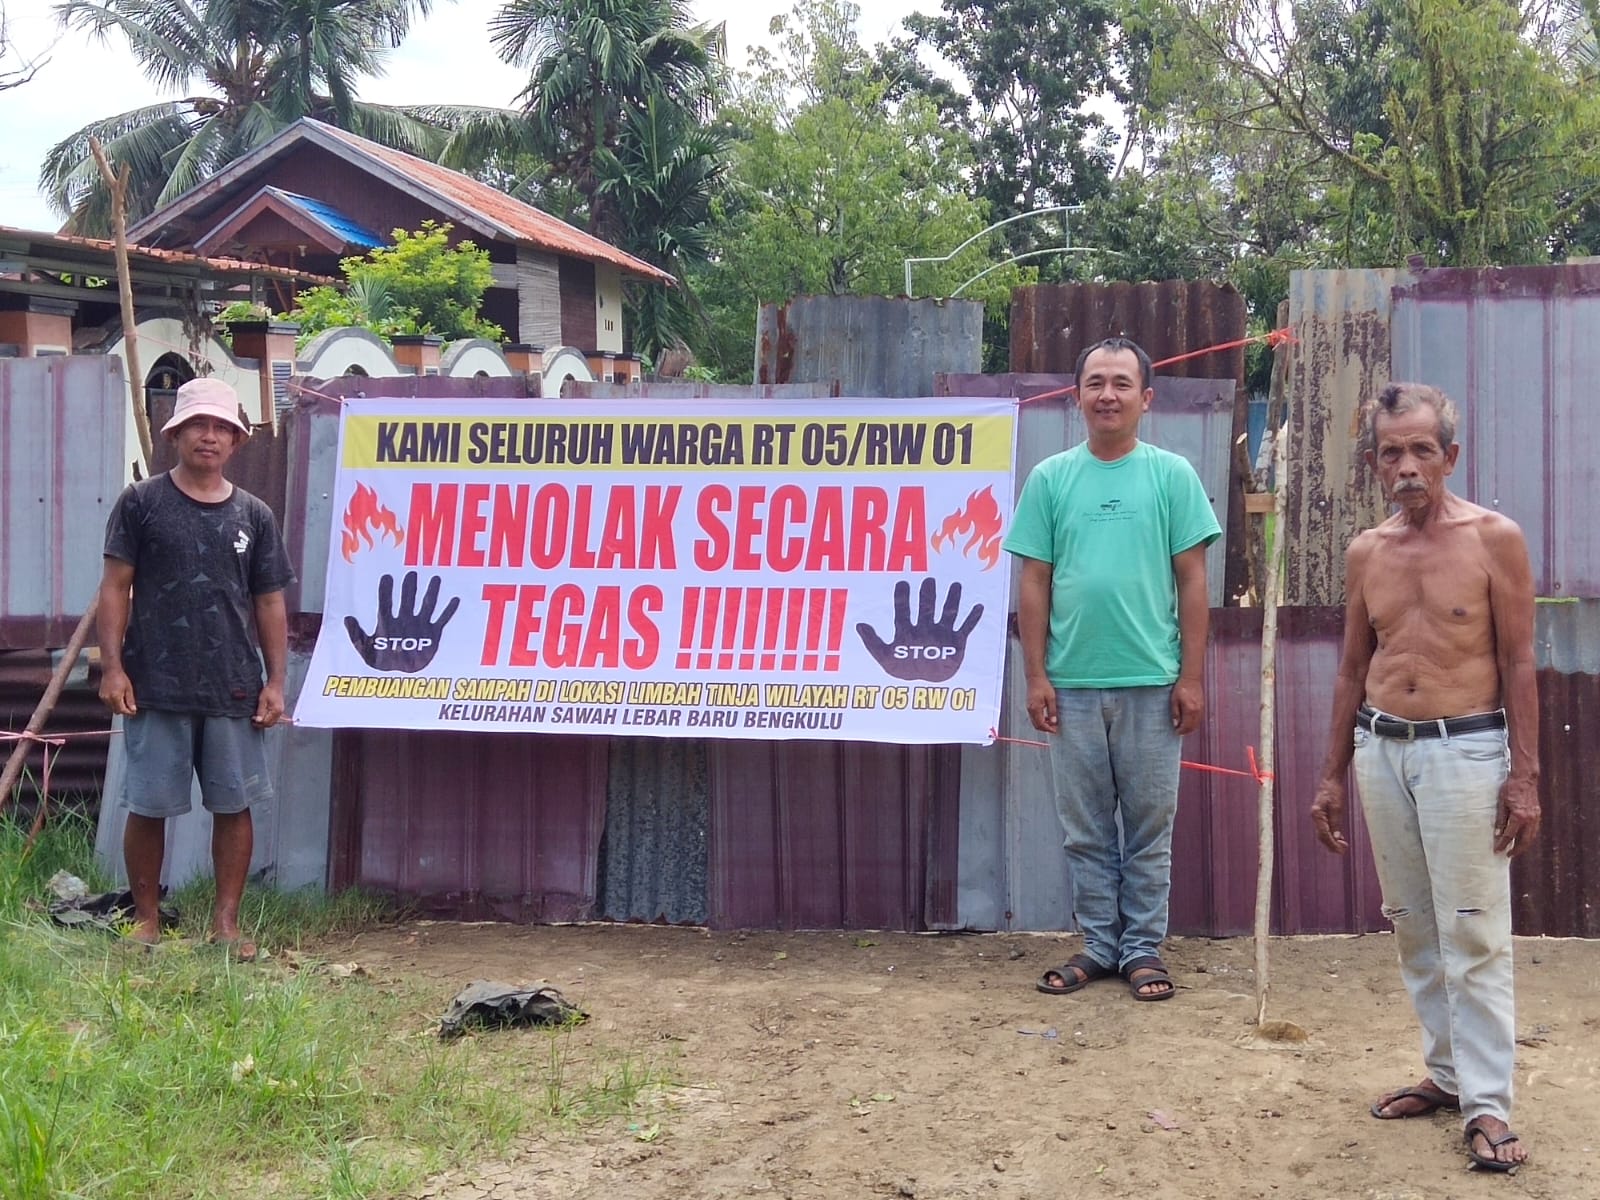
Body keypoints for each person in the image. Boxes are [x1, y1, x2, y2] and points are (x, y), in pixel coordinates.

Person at [1310, 382, 1538, 1172]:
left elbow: (1517, 660)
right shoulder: (1368, 550)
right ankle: (1446, 1076)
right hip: (1383, 751)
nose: (1406, 466)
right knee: (1413, 922)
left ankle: (1487, 1107)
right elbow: (1349, 669)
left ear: (1451, 455)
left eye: (1421, 450)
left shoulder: (1493, 539)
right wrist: (1331, 774)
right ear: (1375, 464)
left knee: (1471, 929)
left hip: (1466, 750)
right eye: (1391, 452)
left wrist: (1525, 775)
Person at [1003, 337, 1221, 1001]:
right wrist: (1036, 675)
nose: (1108, 395)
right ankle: (1099, 945)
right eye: (1095, 382)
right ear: (1077, 397)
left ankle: (1142, 949)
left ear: (1145, 399)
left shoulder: (1171, 475)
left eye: (1122, 383)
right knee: (1085, 830)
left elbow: (1192, 580)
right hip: (1070, 686)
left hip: (1153, 684)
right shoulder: (1050, 479)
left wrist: (1191, 676)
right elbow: (1034, 581)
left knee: (1149, 830)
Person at [98, 377, 295, 960]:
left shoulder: (254, 515)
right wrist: (112, 668)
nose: (208, 437)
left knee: (233, 806)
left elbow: (269, 601)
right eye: (197, 426)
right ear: (176, 434)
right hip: (154, 683)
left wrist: (276, 681)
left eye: (220, 428)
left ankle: (227, 925)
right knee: (150, 803)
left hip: (234, 684)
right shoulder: (141, 502)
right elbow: (115, 588)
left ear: (235, 440)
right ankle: (147, 920)